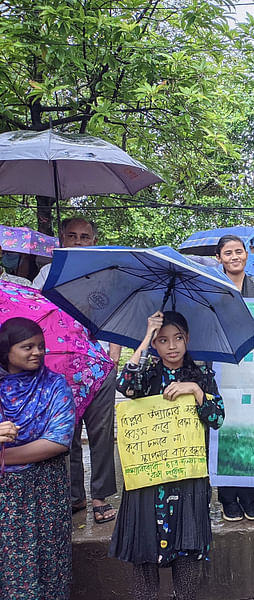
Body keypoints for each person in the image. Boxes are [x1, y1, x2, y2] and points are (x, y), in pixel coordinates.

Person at [110, 310, 224, 600]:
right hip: (148, 481)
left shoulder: (202, 376)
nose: (171, 346)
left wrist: (197, 391)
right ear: (155, 345)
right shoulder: (147, 375)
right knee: (145, 560)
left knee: (187, 560)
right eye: (163, 340)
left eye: (178, 338)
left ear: (187, 340)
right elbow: (124, 385)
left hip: (187, 480)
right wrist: (146, 335)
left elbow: (217, 418)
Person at [33, 216, 119, 524]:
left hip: (98, 366)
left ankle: (100, 495)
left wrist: (114, 356)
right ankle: (74, 496)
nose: (78, 242)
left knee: (101, 434)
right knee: (64, 434)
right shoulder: (46, 274)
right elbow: (35, 319)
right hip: (57, 369)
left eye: (85, 237)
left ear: (93, 241)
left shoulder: (105, 275)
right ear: (61, 239)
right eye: (72, 236)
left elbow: (114, 317)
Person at [0, 317, 75, 600]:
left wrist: (5, 457)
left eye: (41, 346)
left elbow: (58, 440)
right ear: (6, 350)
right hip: (6, 497)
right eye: (27, 347)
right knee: (11, 564)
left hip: (46, 491)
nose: (37, 353)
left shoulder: (55, 385)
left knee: (49, 560)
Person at [215, 235, 254, 521]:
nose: (234, 257)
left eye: (239, 252)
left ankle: (250, 496)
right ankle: (228, 498)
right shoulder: (212, 285)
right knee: (226, 430)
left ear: (246, 255)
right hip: (222, 366)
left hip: (253, 365)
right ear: (219, 258)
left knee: (251, 430)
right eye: (228, 253)